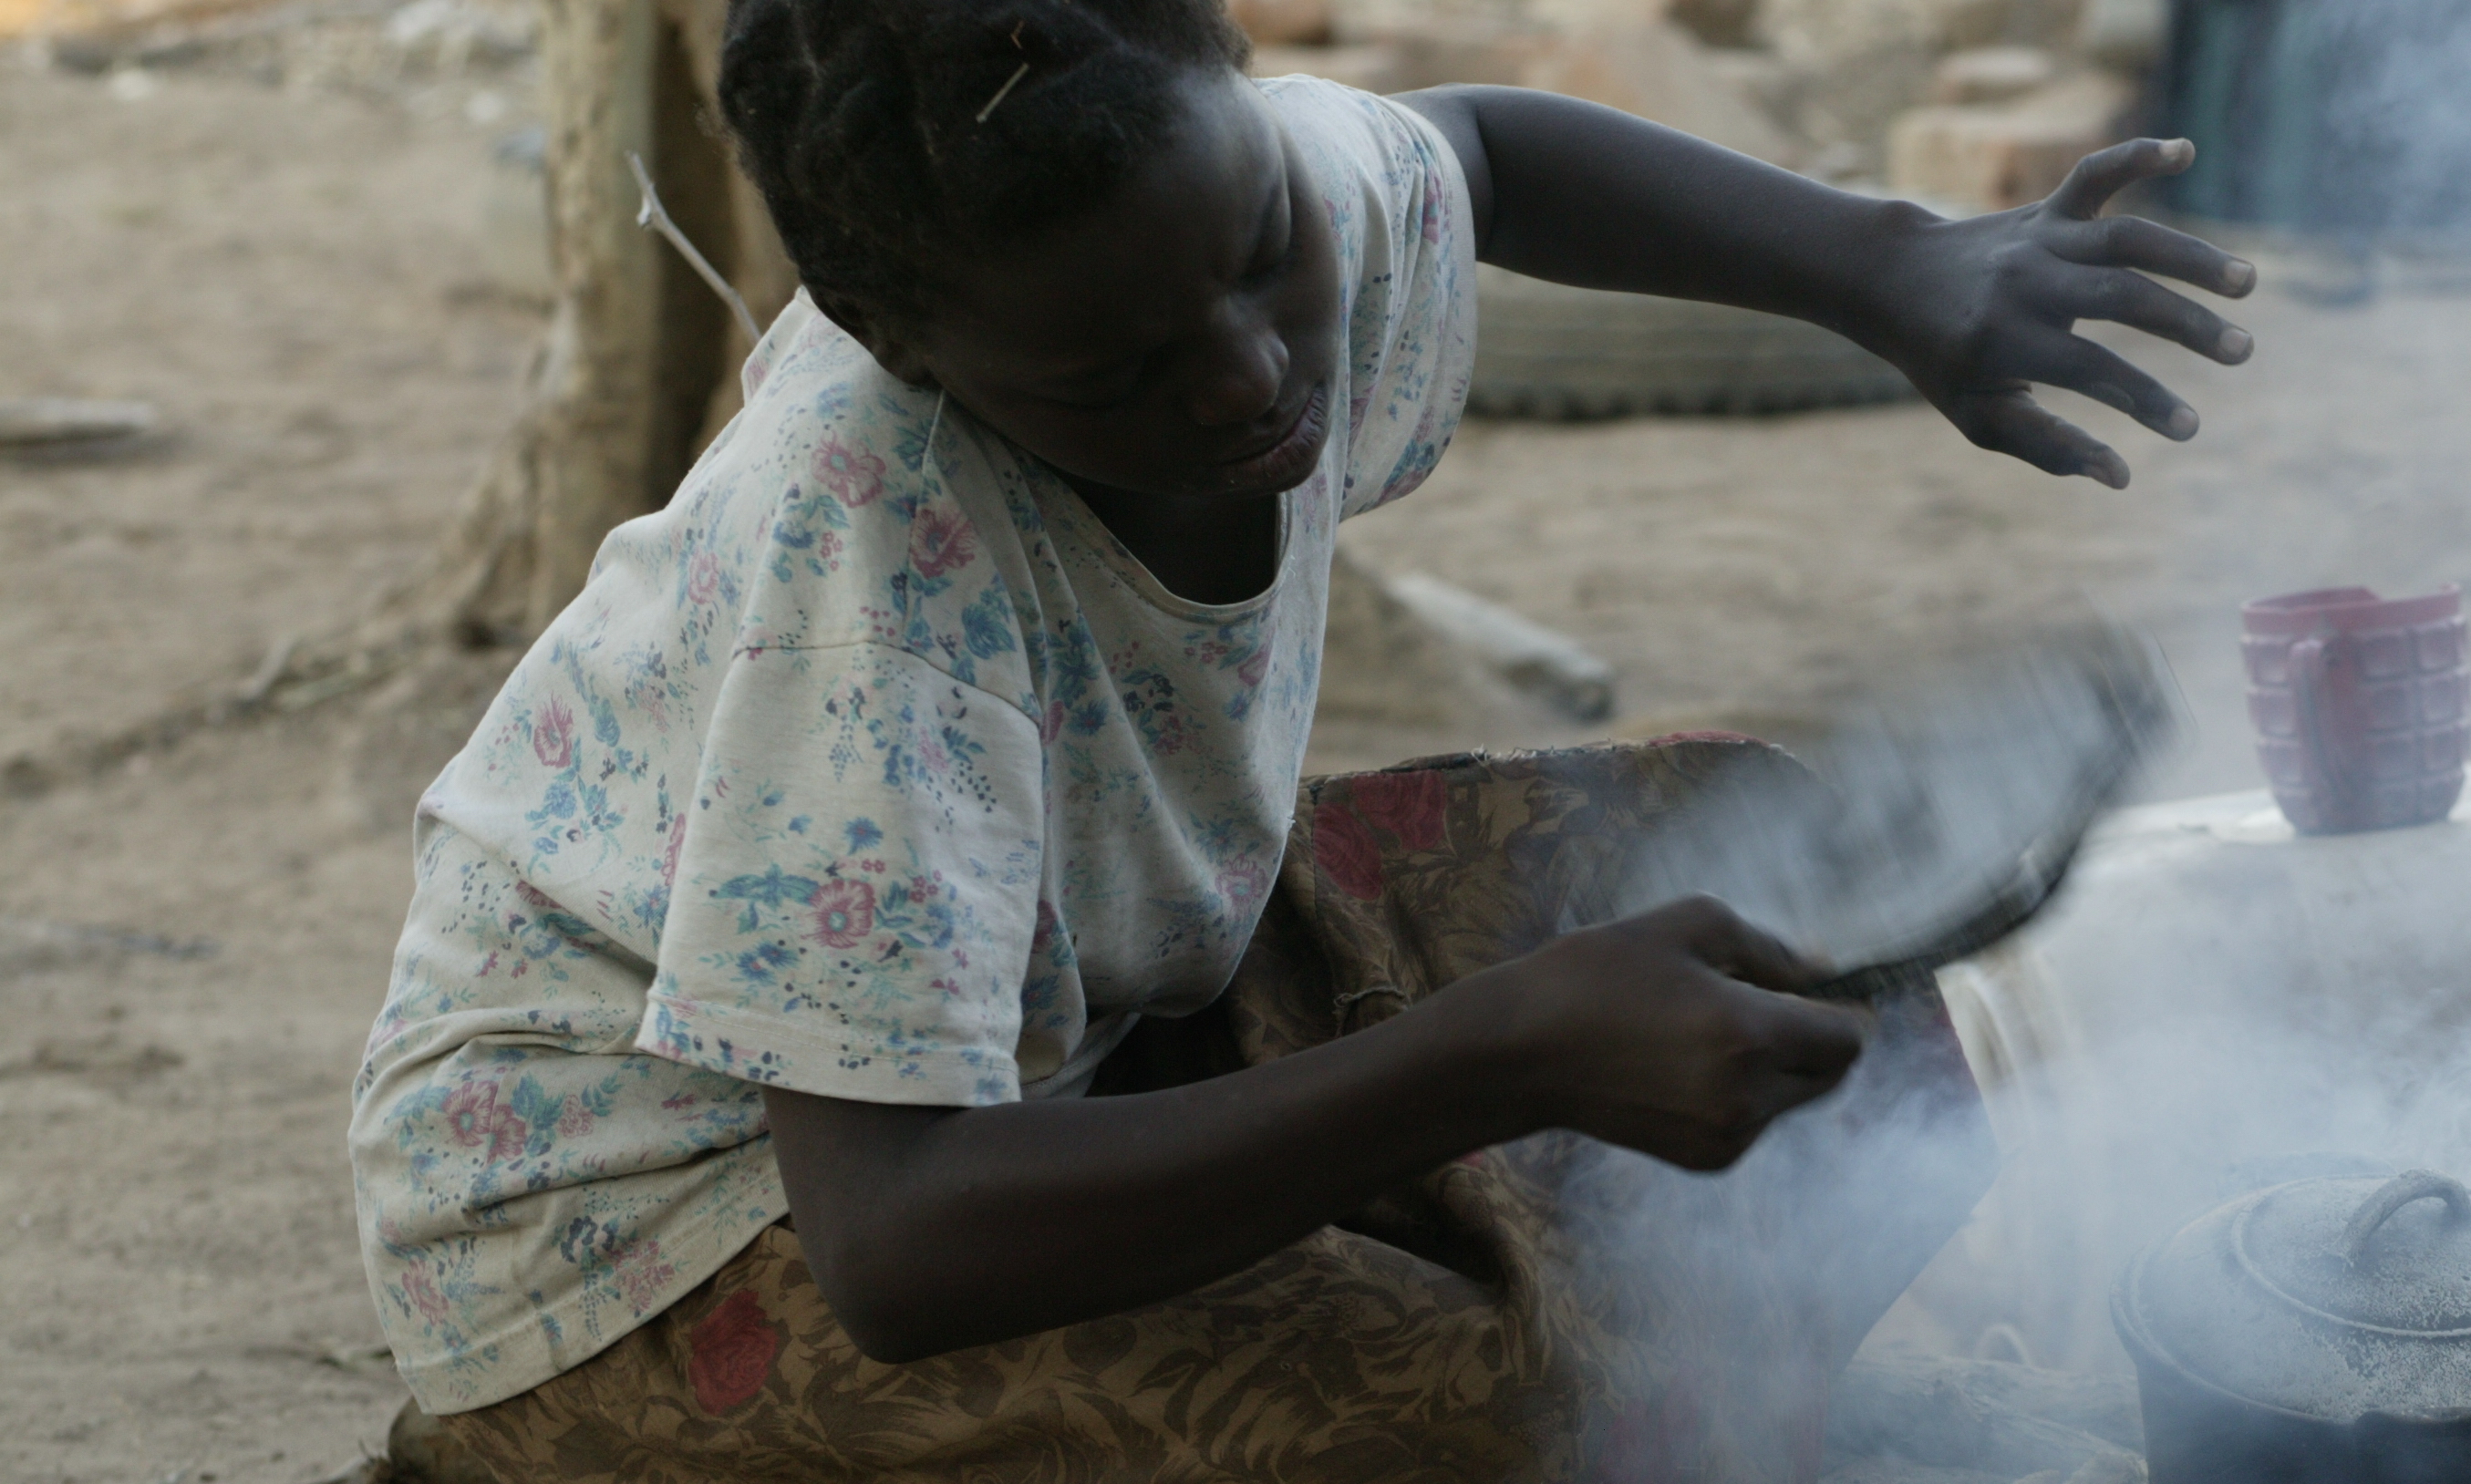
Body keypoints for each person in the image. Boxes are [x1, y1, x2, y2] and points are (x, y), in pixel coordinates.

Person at [345, 0, 2253, 1479]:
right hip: (657, 1238)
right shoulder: (869, 557)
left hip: (1036, 1013)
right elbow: (901, 1237)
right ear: (912, 347)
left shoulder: (1202, 199)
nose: (1249, 371)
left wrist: (1889, 267)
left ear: (1243, 95)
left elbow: (1487, 159)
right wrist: (1490, 1058)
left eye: (1265, 255)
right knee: (1511, 1415)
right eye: (1115, 376)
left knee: (1761, 847)